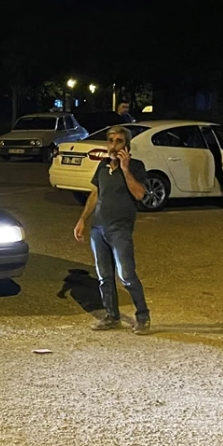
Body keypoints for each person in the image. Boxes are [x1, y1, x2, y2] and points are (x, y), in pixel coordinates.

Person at [74, 125, 152, 335]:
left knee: (126, 275)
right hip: (98, 228)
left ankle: (143, 316)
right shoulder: (102, 166)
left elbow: (139, 194)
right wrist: (82, 220)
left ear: (127, 146)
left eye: (119, 141)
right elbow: (95, 193)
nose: (114, 146)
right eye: (111, 141)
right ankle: (111, 316)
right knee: (104, 276)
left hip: (120, 229)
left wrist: (125, 169)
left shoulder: (136, 166)